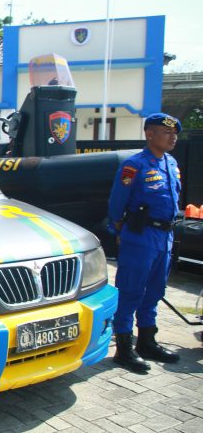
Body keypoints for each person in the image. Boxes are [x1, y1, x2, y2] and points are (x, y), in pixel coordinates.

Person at [107, 112, 182, 373]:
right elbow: (117, 202)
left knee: (155, 290)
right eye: (167, 132)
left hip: (165, 236)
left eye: (175, 133)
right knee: (131, 291)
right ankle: (124, 349)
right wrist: (117, 228)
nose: (173, 137)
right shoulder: (134, 165)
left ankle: (147, 342)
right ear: (150, 134)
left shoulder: (170, 163)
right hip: (140, 236)